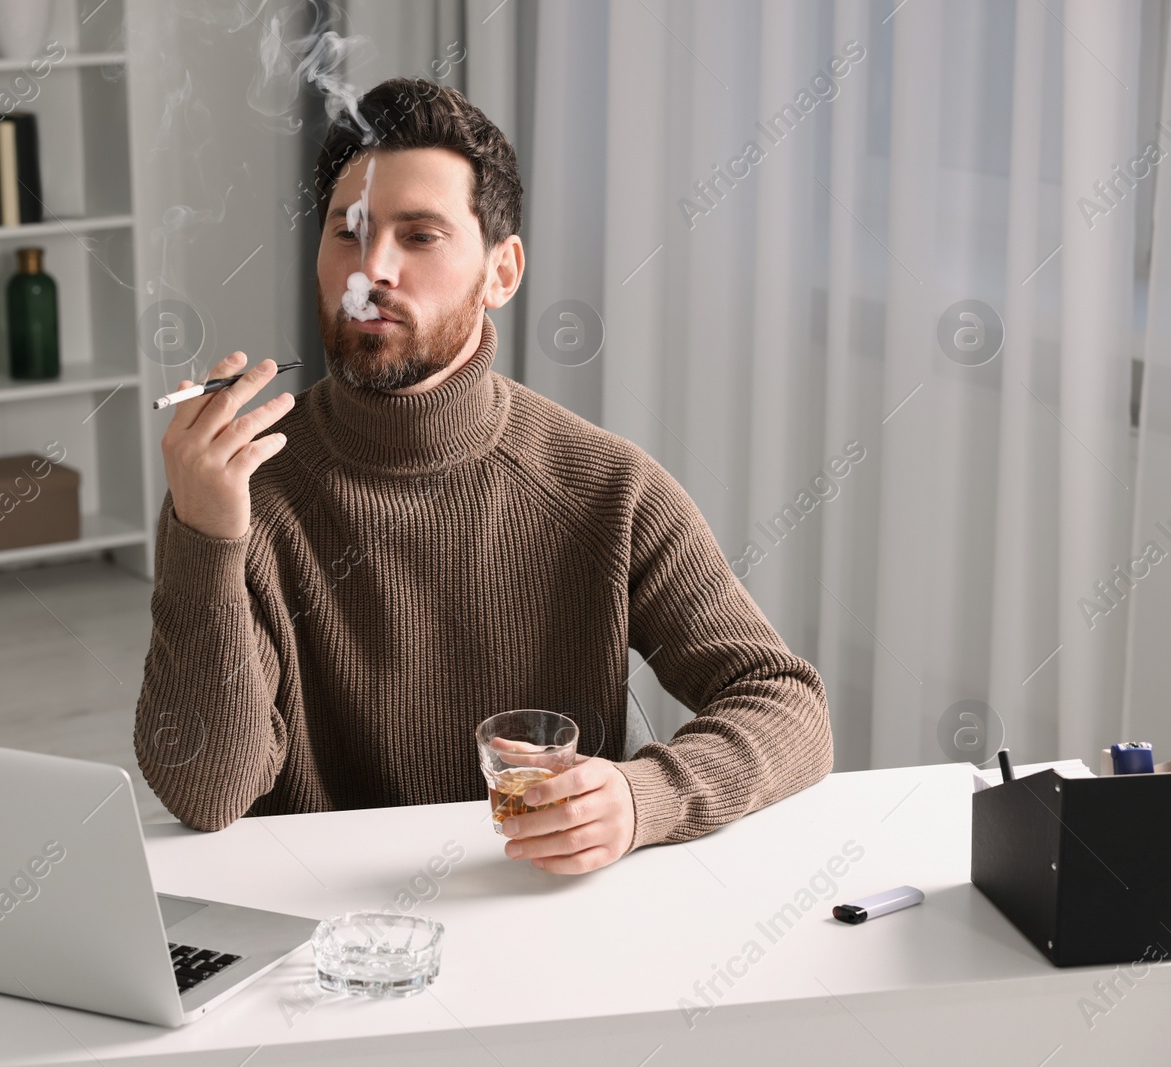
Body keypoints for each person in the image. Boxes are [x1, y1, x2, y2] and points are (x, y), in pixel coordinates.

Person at [134, 76, 832, 875]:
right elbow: (205, 792)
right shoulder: (235, 484)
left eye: (419, 235)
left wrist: (646, 797)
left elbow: (788, 703)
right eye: (347, 233)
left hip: (538, 912)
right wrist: (206, 539)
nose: (372, 271)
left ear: (502, 272)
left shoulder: (607, 487)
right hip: (325, 936)